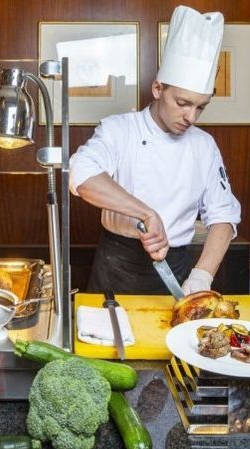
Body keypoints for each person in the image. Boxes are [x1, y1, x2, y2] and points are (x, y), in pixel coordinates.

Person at [69, 5, 241, 295]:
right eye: (183, 103)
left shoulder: (204, 146)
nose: (191, 117)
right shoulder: (119, 129)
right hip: (116, 264)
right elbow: (81, 175)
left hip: (176, 267)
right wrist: (146, 214)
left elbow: (224, 214)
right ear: (158, 89)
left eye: (201, 107)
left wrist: (202, 276)